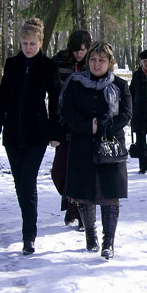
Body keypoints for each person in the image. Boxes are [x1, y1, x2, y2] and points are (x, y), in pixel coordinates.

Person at [0, 18, 61, 256]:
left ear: (40, 43)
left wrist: (55, 132)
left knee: (28, 182)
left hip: (37, 133)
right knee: (19, 183)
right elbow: (2, 97)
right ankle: (27, 225)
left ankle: (29, 235)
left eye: (32, 43)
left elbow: (55, 101)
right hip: (12, 133)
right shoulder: (12, 64)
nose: (28, 47)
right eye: (24, 43)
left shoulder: (48, 66)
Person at [60, 42, 132, 259]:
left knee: (110, 194)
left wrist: (100, 126)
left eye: (102, 60)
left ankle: (108, 242)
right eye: (93, 59)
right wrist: (86, 126)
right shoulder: (75, 83)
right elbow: (67, 111)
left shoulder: (119, 85)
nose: (97, 64)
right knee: (85, 193)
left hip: (111, 145)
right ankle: (90, 235)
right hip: (82, 144)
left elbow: (126, 114)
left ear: (110, 62)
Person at [51, 29, 92, 229]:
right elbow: (52, 95)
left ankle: (79, 212)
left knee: (81, 173)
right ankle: (71, 203)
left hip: (85, 127)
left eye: (82, 50)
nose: (78, 54)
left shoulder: (93, 64)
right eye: (75, 50)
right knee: (59, 171)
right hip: (63, 125)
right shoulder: (59, 63)